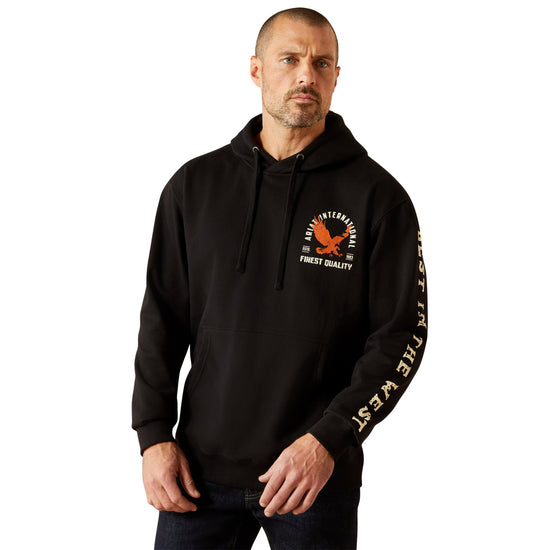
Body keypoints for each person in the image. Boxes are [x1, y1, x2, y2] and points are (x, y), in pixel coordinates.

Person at [132, 7, 428, 550]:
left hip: (314, 479)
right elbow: (162, 319)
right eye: (289, 59)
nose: (306, 76)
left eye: (322, 63)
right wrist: (152, 435)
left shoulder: (379, 198)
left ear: (336, 76)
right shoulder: (194, 187)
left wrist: (329, 440)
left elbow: (401, 336)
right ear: (256, 69)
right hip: (197, 475)